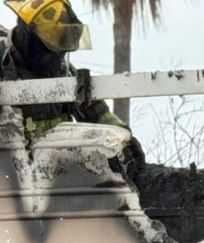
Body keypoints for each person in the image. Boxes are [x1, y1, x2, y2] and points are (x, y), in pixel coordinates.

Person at [1, 0, 143, 167]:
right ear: (29, 38)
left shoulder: (63, 70)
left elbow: (96, 112)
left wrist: (124, 139)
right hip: (9, 176)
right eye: (51, 50)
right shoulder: (4, 65)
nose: (56, 57)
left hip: (60, 175)